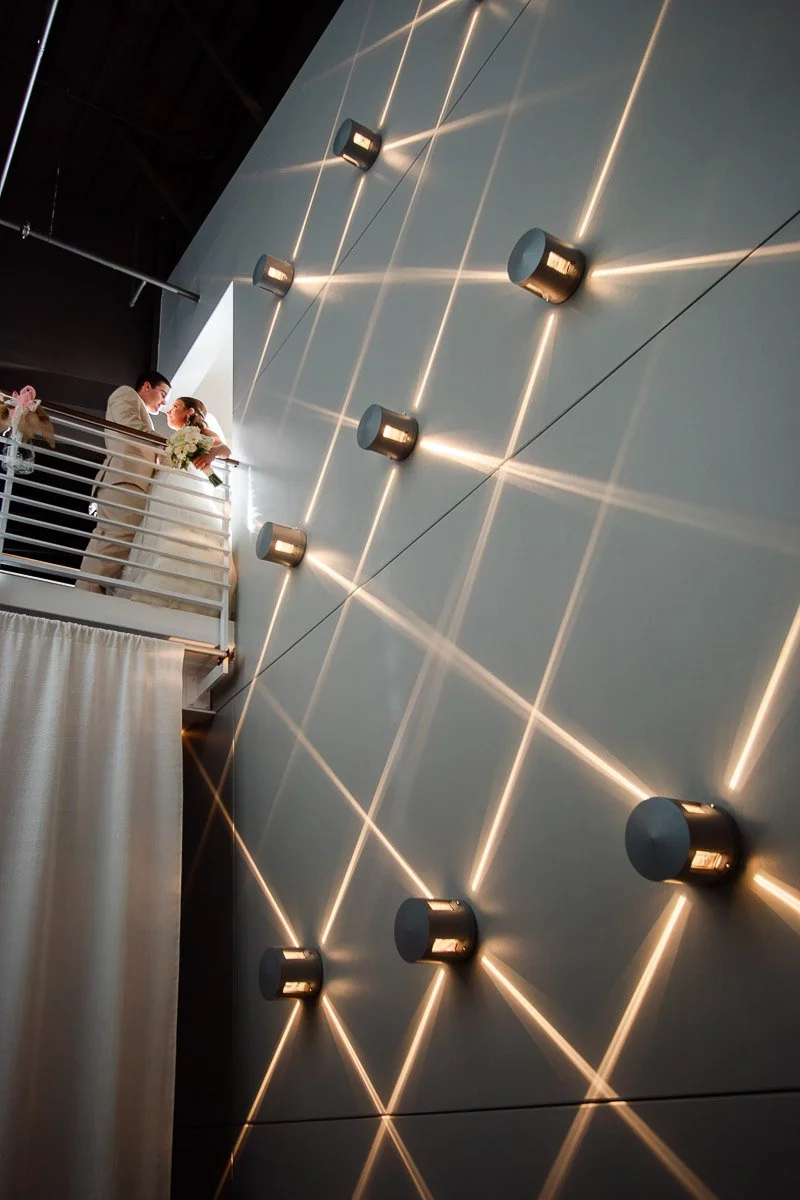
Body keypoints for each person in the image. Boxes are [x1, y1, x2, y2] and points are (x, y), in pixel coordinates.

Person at [114, 396, 232, 616]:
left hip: (185, 485)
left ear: (189, 412)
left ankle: (185, 589)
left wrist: (210, 455)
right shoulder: (174, 439)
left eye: (174, 407)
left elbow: (224, 449)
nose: (168, 411)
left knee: (184, 531)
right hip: (163, 487)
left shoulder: (201, 433)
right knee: (160, 535)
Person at [76, 371, 171, 591]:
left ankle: (84, 595)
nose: (164, 402)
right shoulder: (126, 394)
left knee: (108, 543)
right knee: (114, 545)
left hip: (129, 482)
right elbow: (130, 429)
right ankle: (87, 601)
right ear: (146, 386)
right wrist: (171, 447)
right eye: (163, 393)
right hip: (126, 481)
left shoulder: (147, 421)